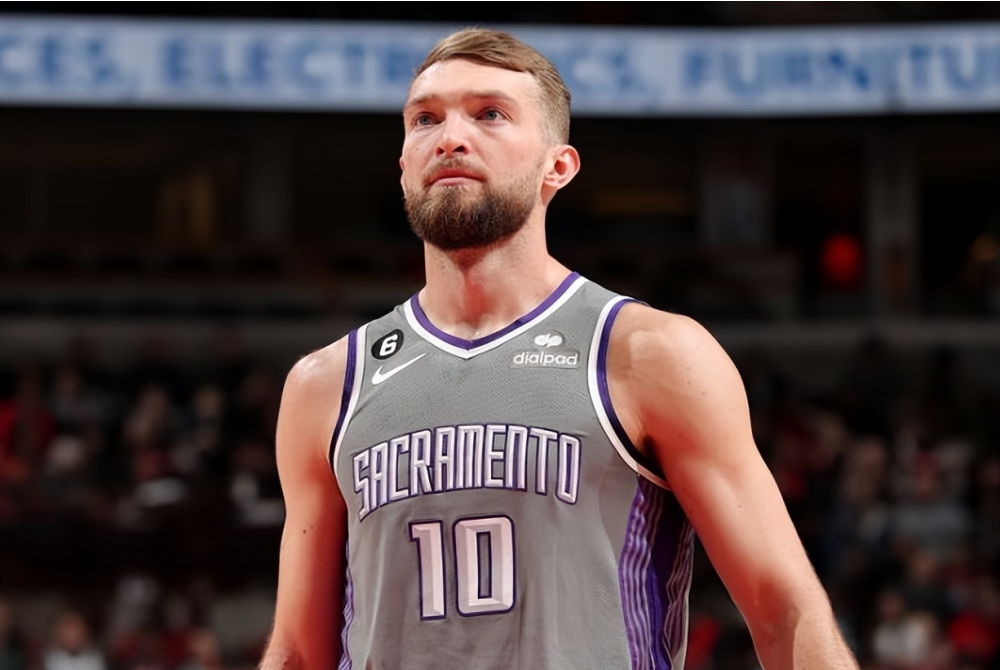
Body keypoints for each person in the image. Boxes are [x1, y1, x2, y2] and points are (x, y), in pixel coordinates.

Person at [260, 28, 859, 670]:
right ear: (404, 167)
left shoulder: (649, 353)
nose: (450, 137)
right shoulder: (327, 383)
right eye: (425, 119)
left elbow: (784, 610)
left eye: (490, 113)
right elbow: (297, 653)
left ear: (558, 167)